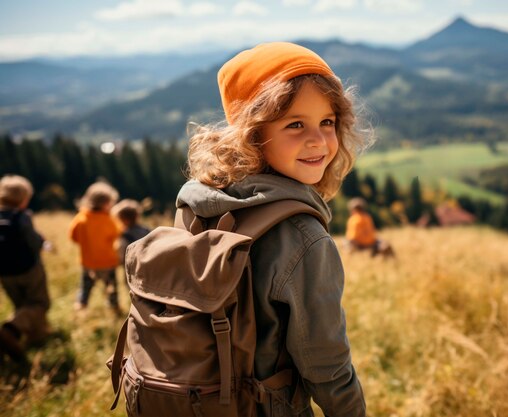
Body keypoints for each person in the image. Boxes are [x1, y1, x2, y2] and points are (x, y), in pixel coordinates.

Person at [176, 42, 368, 416]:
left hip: (192, 399)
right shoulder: (302, 235)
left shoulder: (195, 202)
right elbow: (326, 365)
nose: (318, 140)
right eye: (295, 124)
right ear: (251, 135)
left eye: (327, 122)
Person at [0, 175, 51, 362]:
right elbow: (35, 242)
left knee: (22, 305)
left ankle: (36, 336)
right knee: (39, 303)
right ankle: (10, 329)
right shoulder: (22, 217)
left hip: (5, 273)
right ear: (24, 199)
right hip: (29, 269)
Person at [68, 181, 122, 314]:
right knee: (111, 287)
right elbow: (117, 234)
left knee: (85, 287)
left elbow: (73, 237)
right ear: (106, 204)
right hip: (107, 262)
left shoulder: (80, 218)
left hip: (88, 262)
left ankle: (81, 305)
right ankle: (114, 307)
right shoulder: (109, 220)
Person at [111, 199, 150, 268]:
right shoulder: (146, 231)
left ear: (125, 220)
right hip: (147, 264)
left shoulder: (125, 235)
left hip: (131, 267)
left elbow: (121, 255)